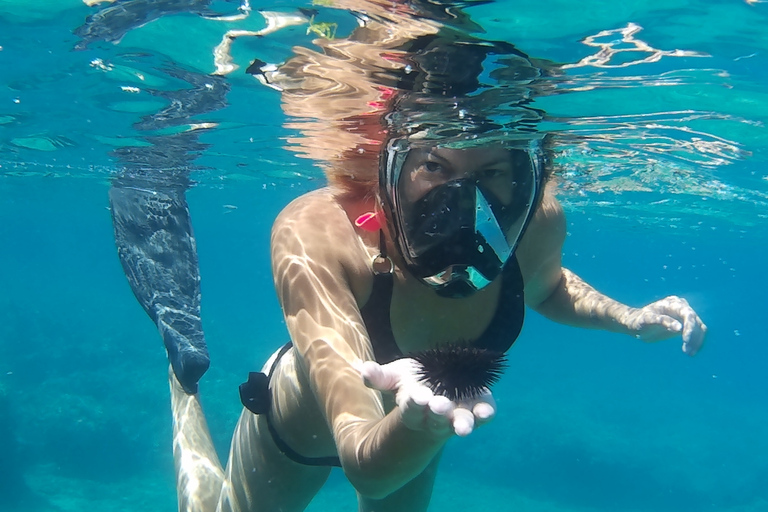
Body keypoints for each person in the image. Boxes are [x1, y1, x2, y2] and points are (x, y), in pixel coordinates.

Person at [167, 2, 708, 512]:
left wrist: (628, 318)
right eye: (435, 168)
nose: (462, 205)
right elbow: (365, 463)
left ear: (524, 177)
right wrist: (411, 427)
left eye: (493, 173)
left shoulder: (533, 224)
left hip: (423, 427)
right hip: (295, 429)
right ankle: (183, 390)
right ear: (389, 170)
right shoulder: (318, 231)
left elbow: (542, 285)